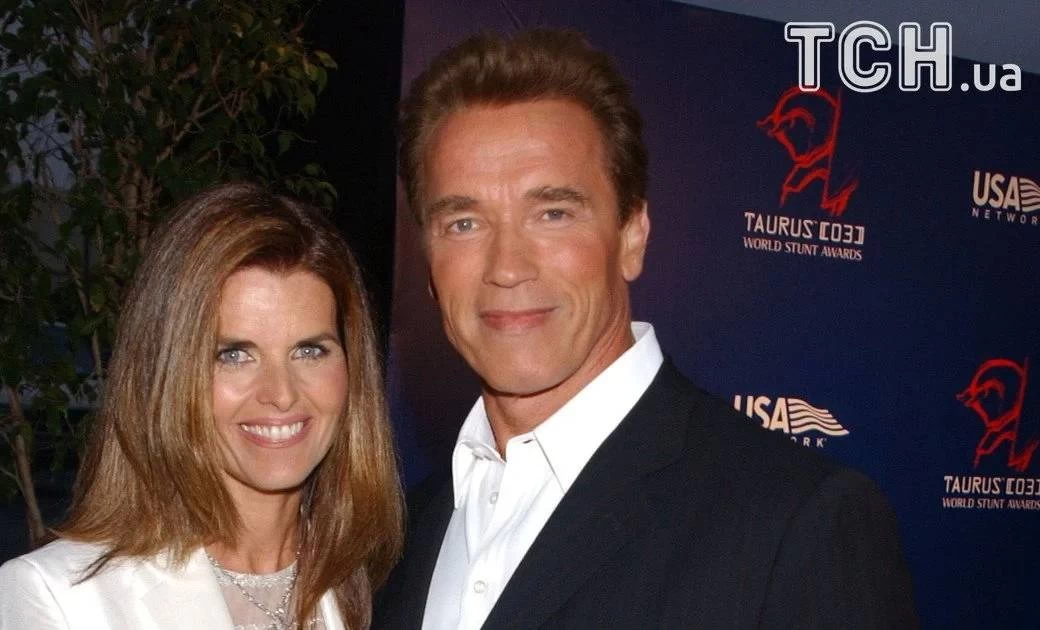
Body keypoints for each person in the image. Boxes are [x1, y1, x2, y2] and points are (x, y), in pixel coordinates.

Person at [374, 29, 916, 629]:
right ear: (427, 262)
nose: (507, 267)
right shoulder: (404, 534)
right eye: (464, 223)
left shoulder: (797, 522)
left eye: (553, 213)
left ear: (632, 236)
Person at [0, 182, 403, 629]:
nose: (281, 393)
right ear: (168, 374)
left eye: (309, 351)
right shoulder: (62, 599)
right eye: (234, 355)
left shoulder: (381, 583)